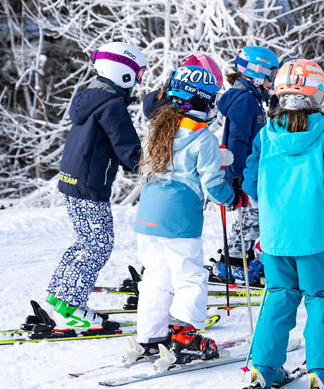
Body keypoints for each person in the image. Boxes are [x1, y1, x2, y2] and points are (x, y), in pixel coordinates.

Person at [241, 59, 324, 389]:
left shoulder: (266, 134)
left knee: (279, 297)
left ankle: (264, 367)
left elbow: (251, 184)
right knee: (320, 298)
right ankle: (321, 371)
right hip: (312, 235)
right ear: (318, 93)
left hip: (275, 235)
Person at [126, 64, 237, 364]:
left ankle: (150, 337)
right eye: (210, 100)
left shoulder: (159, 128)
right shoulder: (204, 138)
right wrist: (232, 196)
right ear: (201, 102)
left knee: (156, 278)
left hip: (147, 218)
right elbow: (213, 186)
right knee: (190, 277)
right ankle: (183, 337)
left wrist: (220, 156)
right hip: (179, 220)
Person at [43, 41, 147, 330]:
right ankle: (70, 307)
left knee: (85, 242)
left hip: (73, 182)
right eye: (136, 76)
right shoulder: (112, 106)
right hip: (89, 185)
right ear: (123, 74)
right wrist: (154, 168)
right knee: (98, 245)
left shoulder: (91, 99)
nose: (137, 83)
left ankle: (59, 295)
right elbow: (127, 148)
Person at [216, 45, 279, 281]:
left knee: (253, 217)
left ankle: (240, 259)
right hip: (244, 172)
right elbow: (237, 139)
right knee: (251, 218)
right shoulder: (244, 100)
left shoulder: (252, 98)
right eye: (271, 74)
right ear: (257, 72)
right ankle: (232, 263)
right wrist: (236, 175)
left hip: (252, 170)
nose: (272, 80)